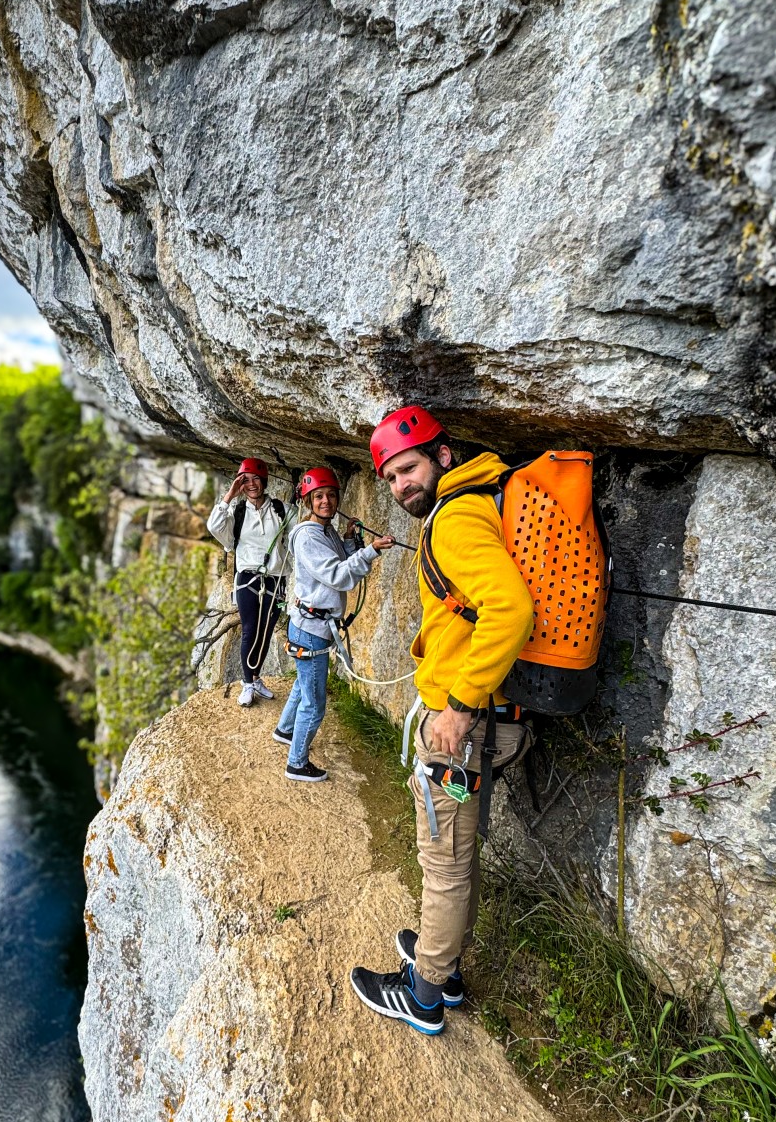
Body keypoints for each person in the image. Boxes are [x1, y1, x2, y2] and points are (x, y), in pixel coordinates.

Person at [349, 406, 534, 1035]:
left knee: (445, 861)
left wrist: (457, 707)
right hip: (487, 714)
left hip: (464, 726)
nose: (401, 485)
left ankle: (427, 992)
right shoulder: (473, 501)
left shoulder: (453, 519)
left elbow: (510, 609)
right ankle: (442, 958)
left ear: (443, 456)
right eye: (391, 477)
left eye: (409, 468)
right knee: (455, 853)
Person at [274, 467, 393, 783]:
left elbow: (341, 562)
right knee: (314, 705)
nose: (326, 501)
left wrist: (350, 539)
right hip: (311, 630)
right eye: (318, 496)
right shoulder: (308, 536)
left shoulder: (325, 532)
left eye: (330, 495)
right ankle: (296, 763)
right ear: (308, 501)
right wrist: (371, 550)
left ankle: (285, 730)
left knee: (303, 684)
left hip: (310, 625)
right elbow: (338, 576)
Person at [207, 457, 289, 707]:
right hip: (247, 578)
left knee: (266, 632)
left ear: (264, 481)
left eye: (256, 479)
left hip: (275, 579)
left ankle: (255, 677)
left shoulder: (281, 509)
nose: (251, 484)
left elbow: (300, 530)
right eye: (246, 480)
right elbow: (214, 526)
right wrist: (230, 495)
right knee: (250, 630)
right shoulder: (237, 513)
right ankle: (247, 683)